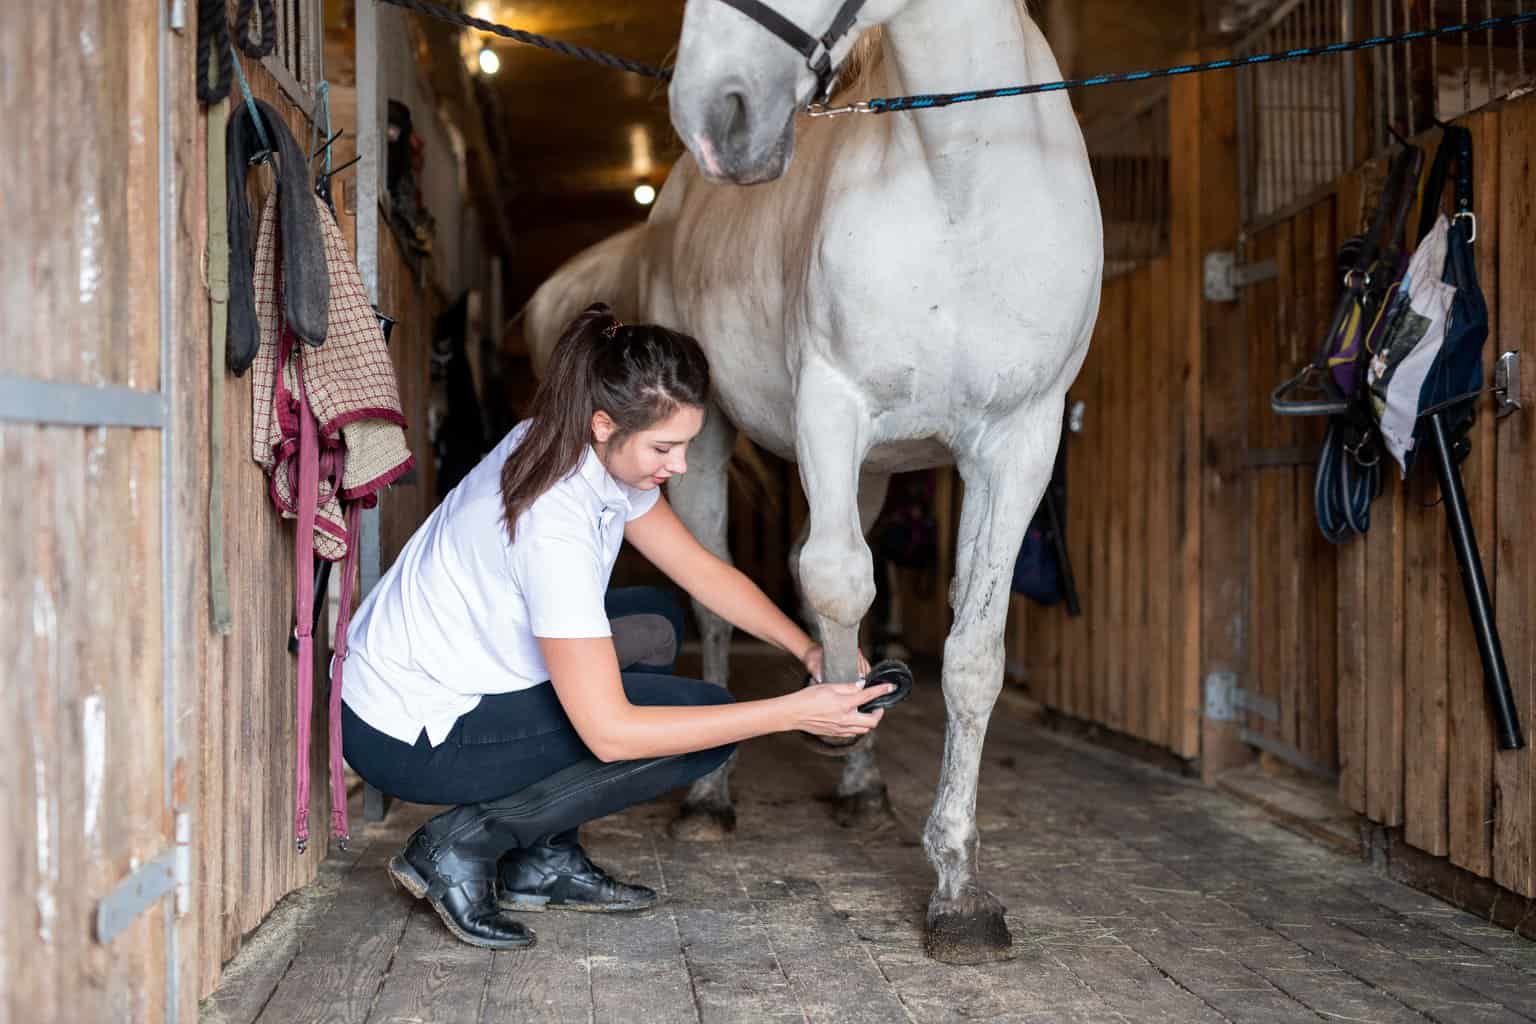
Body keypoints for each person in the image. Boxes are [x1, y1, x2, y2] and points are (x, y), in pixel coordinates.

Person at [340, 302, 893, 950]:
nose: (680, 464)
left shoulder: (574, 443)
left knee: (657, 623)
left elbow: (703, 573)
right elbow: (610, 734)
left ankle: (540, 861)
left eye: (685, 443)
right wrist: (792, 712)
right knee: (701, 733)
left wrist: (806, 647)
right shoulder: (556, 524)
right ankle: (458, 847)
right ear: (606, 424)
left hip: (425, 681)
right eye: (666, 447)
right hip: (410, 733)